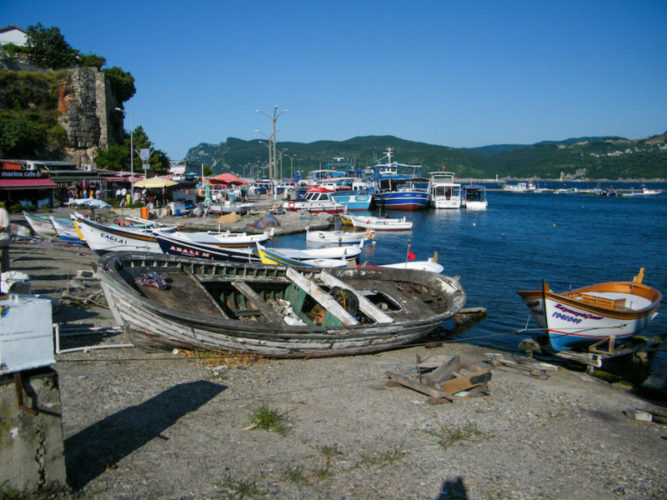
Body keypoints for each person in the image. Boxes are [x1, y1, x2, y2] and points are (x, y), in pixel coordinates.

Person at [0, 202, 10, 272]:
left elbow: (5, 226)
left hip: (3, 237)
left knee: (4, 258)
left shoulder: (3, 211)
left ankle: (5, 273)